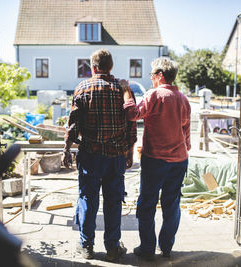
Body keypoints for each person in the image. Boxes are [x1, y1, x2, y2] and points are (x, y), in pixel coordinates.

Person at [62, 49, 137, 262]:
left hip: (91, 155)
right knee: (113, 201)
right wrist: (129, 152)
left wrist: (67, 149)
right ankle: (113, 247)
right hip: (116, 156)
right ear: (111, 66)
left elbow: (73, 124)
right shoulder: (122, 89)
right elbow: (131, 125)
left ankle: (86, 246)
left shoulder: (83, 88)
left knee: (88, 199)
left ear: (93, 67)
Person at [122, 57, 190, 260]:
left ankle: (147, 249)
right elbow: (186, 132)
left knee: (147, 204)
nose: (151, 78)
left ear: (160, 75)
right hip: (179, 160)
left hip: (155, 160)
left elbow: (132, 114)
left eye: (152, 75)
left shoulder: (154, 95)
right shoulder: (183, 99)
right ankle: (166, 247)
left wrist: (126, 92)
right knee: (171, 204)